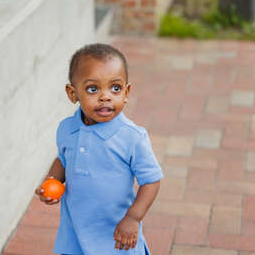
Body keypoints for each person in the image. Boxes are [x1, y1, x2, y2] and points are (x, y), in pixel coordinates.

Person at [35, 43, 163, 255]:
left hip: (117, 232)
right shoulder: (67, 128)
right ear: (72, 93)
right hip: (75, 230)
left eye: (115, 88)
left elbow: (151, 181)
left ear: (126, 92)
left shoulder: (132, 137)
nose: (105, 97)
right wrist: (52, 180)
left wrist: (133, 218)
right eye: (93, 89)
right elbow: (64, 159)